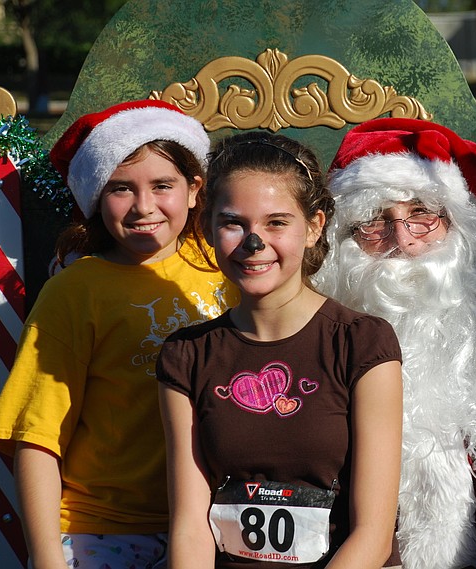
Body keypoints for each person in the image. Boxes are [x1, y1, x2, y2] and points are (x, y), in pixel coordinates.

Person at [0, 100, 236, 568]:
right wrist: (47, 562)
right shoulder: (75, 292)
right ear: (96, 195)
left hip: (221, 528)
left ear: (195, 188)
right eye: (121, 188)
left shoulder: (232, 270)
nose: (144, 207)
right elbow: (36, 438)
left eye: (163, 185)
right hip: (103, 532)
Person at [155, 131, 404, 568]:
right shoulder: (186, 357)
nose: (254, 243)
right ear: (208, 229)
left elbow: (374, 534)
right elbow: (190, 527)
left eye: (276, 222)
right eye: (234, 222)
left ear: (313, 228)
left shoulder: (363, 343)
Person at [314, 117, 476, 569]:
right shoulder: (321, 338)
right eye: (374, 222)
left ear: (456, 225)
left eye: (421, 214)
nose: (402, 241)